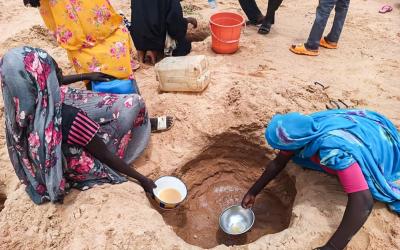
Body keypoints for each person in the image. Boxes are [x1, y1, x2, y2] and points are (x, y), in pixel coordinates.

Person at [0, 46, 174, 204]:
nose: (57, 73)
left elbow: (57, 82)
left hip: (47, 163)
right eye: (51, 72)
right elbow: (105, 155)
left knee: (68, 94)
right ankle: (141, 125)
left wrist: (87, 76)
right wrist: (144, 180)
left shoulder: (17, 115)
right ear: (44, 81)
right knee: (133, 103)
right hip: (78, 163)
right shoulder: (70, 118)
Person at [242, 110, 400, 250]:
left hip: (378, 146)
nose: (280, 151)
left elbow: (363, 201)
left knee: (355, 175)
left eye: (281, 147)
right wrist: (253, 191)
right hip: (364, 126)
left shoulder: (333, 152)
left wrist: (332, 246)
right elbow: (279, 161)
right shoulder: (306, 128)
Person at [24, 0, 139, 87]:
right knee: (95, 76)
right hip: (76, 33)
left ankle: (135, 110)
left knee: (120, 73)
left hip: (103, 28)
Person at [130, 0, 198, 64]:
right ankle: (153, 51)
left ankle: (143, 53)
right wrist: (186, 21)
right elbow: (174, 23)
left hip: (137, 38)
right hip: (155, 38)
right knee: (184, 45)